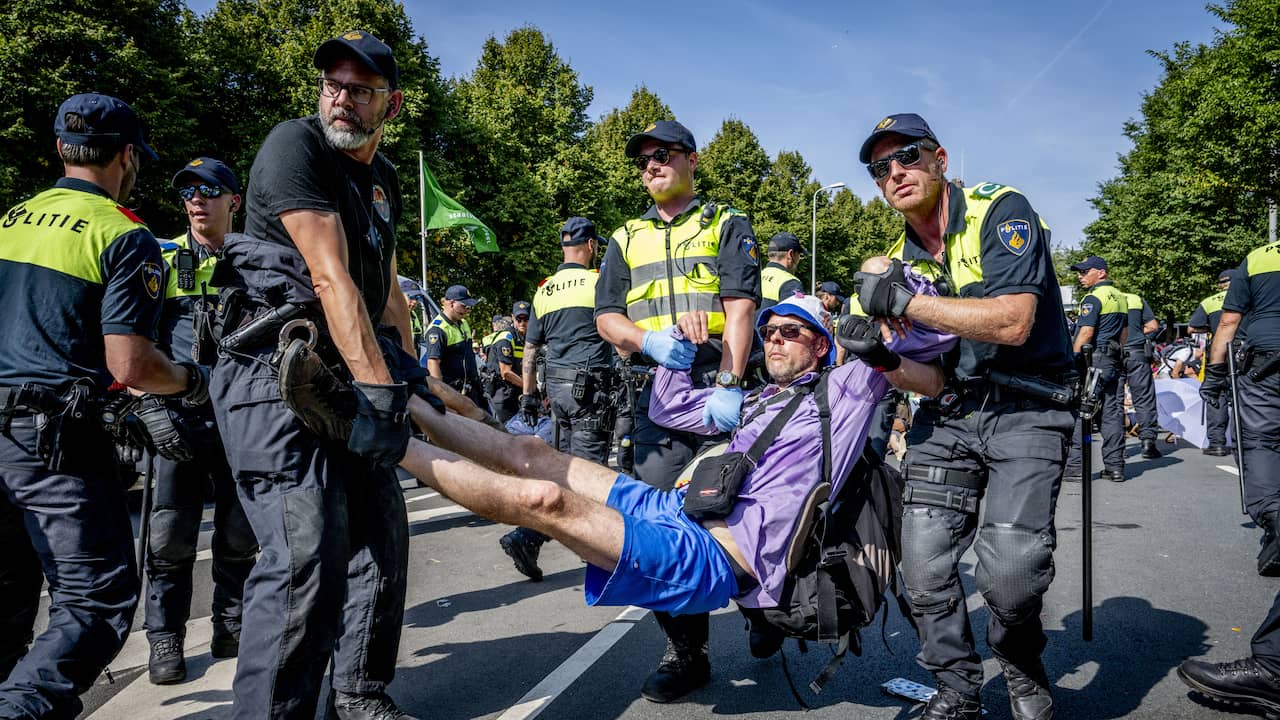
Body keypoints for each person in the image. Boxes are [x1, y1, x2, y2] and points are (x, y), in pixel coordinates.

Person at [399, 294, 950, 618]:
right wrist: (675, 350)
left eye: (791, 332)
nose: (775, 340)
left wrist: (881, 318)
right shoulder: (756, 399)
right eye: (769, 332)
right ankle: (391, 401)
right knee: (532, 452)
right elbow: (670, 409)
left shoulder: (846, 393)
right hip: (674, 508)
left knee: (543, 499)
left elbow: (925, 341)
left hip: (716, 555)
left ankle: (387, 444)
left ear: (822, 345)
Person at [207, 31, 419, 719]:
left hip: (340, 379)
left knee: (382, 541)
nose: (342, 99)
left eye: (361, 90)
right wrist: (382, 394)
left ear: (390, 104)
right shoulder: (292, 145)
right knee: (305, 563)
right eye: (334, 84)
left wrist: (414, 378)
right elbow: (329, 278)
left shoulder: (382, 180)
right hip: (271, 382)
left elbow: (384, 291)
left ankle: (358, 695)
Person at [854, 112, 1075, 720]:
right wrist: (879, 358)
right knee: (922, 567)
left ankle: (1021, 660)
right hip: (951, 411)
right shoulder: (901, 257)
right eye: (880, 167)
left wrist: (907, 302)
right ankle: (957, 688)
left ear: (940, 158)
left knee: (1012, 575)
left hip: (1030, 404)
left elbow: (1013, 321)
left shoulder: (999, 209)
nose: (895, 172)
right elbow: (930, 378)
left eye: (908, 156)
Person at [0, 93, 210, 718]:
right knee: (94, 599)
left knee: (7, 595)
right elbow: (131, 366)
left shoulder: (11, 220)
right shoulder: (125, 236)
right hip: (52, 438)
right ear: (127, 157)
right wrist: (192, 383)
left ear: (61, 149)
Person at [594, 119, 760, 702]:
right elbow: (607, 317)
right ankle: (687, 652)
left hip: (719, 383)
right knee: (665, 520)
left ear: (692, 159)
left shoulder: (725, 222)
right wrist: (649, 341)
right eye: (642, 160)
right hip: (656, 397)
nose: (651, 166)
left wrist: (732, 381)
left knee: (738, 509)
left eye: (662, 155)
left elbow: (741, 306)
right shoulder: (624, 236)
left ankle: (763, 609)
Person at [145, 157, 258, 685]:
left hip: (241, 418)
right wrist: (145, 405)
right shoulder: (160, 256)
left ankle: (229, 625)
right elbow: (128, 335)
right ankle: (164, 637)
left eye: (209, 190)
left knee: (238, 534)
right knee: (169, 538)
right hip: (177, 419)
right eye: (187, 190)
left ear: (234, 199)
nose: (196, 199)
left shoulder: (256, 259)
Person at [1178, 236, 1280, 716]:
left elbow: (1227, 323)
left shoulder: (1260, 259)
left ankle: (1274, 519)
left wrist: (1213, 376)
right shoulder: (1129, 300)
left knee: (1259, 447)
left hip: (1266, 373)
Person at [500, 217, 615, 581]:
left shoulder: (545, 290)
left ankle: (532, 538)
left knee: (567, 471)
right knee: (589, 475)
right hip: (589, 391)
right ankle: (556, 543)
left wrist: (529, 396)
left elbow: (531, 349)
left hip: (557, 394)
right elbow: (616, 334)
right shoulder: (599, 284)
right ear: (592, 246)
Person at [1064, 255, 1129, 482]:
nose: (1080, 276)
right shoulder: (1120, 297)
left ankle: (1074, 468)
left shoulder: (1093, 298)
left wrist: (1072, 360)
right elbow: (1124, 334)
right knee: (1112, 414)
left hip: (1095, 361)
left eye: (1084, 272)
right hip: (1113, 359)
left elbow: (1085, 333)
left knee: (1083, 411)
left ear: (1100, 272)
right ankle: (1115, 467)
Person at [1189, 269, 1237, 456]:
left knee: (1216, 397)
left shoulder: (1209, 302)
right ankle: (1243, 441)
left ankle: (1217, 443)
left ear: (1220, 285)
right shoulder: (1249, 297)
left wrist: (1211, 326)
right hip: (1243, 354)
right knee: (1244, 397)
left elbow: (1192, 327)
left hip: (1218, 355)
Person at [426, 284, 487, 410]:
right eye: (463, 306)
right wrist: (441, 396)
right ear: (451, 303)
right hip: (453, 392)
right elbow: (433, 364)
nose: (466, 310)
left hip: (471, 390)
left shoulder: (463, 323)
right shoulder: (437, 329)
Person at [1120, 288, 1162, 458]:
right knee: (1144, 397)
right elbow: (1153, 326)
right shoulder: (1136, 299)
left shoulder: (1101, 299)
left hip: (1113, 353)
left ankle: (1117, 448)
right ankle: (1148, 443)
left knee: (1113, 400)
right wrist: (1135, 332)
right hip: (1137, 353)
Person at [487, 301, 529, 424]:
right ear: (512, 317)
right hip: (501, 394)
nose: (522, 323)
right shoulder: (506, 337)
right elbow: (506, 373)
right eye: (518, 319)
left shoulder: (525, 338)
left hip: (516, 392)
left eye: (525, 319)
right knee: (504, 434)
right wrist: (529, 387)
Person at [759, 231, 805, 310]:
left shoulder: (754, 277)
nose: (799, 259)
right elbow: (792, 319)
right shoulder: (791, 283)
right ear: (790, 254)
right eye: (799, 255)